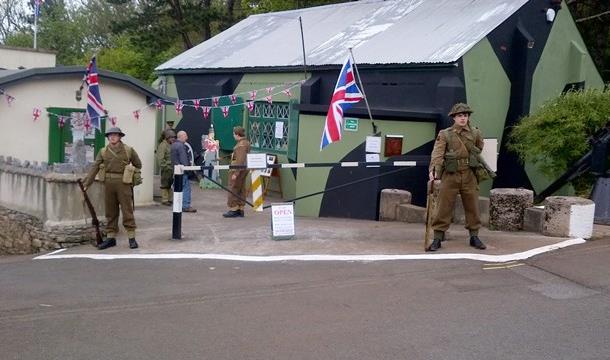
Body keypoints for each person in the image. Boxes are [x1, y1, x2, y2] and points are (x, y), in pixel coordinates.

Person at [427, 103, 486, 251]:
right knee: (443, 206)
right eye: (460, 115)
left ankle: (474, 236)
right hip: (450, 174)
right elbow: (438, 153)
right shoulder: (445, 134)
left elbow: (479, 148)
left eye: (465, 115)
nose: (463, 118)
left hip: (469, 174)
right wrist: (434, 170)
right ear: (454, 117)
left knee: (472, 206)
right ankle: (438, 238)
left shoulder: (475, 133)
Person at [82, 127, 142, 250]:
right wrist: (87, 183)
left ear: (120, 137)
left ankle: (131, 238)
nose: (113, 137)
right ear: (108, 137)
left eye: (115, 135)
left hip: (123, 184)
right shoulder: (103, 151)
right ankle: (111, 238)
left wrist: (131, 172)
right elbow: (95, 167)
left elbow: (138, 164)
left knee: (127, 211)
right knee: (110, 212)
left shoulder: (128, 150)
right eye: (110, 135)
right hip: (108, 184)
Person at [223, 126, 251, 218]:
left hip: (237, 169)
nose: (233, 135)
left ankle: (233, 209)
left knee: (233, 188)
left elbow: (240, 160)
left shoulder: (240, 145)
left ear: (237, 134)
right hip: (244, 169)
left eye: (234, 134)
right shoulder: (246, 142)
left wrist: (236, 173)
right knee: (241, 188)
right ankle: (240, 208)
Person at [171, 130, 196, 213]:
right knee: (186, 188)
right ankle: (185, 206)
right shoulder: (181, 146)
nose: (187, 138)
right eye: (185, 136)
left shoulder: (173, 145)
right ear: (181, 136)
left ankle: (178, 205)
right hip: (182, 171)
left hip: (175, 171)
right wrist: (189, 170)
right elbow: (184, 160)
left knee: (178, 189)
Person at [156, 129, 176, 206]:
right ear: (167, 138)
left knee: (170, 184)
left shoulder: (171, 144)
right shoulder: (163, 145)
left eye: (174, 137)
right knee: (165, 184)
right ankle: (165, 200)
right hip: (166, 168)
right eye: (171, 137)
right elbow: (160, 159)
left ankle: (170, 199)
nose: (173, 139)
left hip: (172, 168)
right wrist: (166, 167)